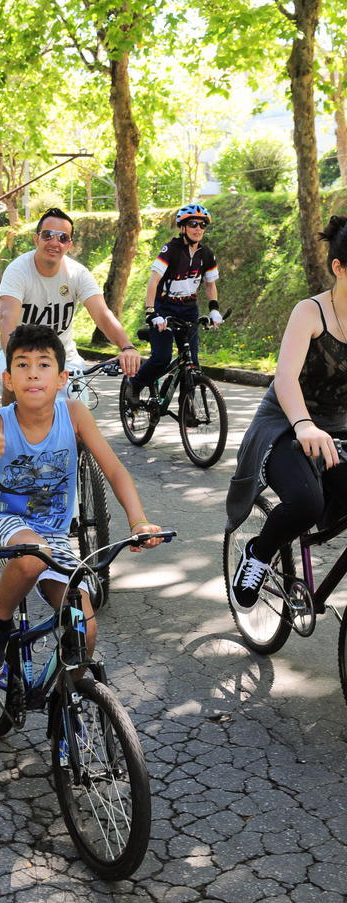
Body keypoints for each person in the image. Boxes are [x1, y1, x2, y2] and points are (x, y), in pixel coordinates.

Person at [0, 323, 163, 678]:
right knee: (31, 556)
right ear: (8, 379)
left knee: (84, 627)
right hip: (1, 521)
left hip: (52, 534)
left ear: (61, 378)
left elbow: (115, 471)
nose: (33, 373)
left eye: (44, 364)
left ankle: (64, 712)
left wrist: (138, 520)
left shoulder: (74, 415)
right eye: (22, 365)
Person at [226, 215, 347, 613]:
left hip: (338, 429)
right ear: (338, 267)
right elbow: (285, 378)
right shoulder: (310, 312)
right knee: (306, 503)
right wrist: (305, 425)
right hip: (286, 423)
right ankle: (259, 554)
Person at [0, 207, 141, 405]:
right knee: (17, 399)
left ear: (69, 245)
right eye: (48, 235)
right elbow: (7, 319)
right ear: (36, 239)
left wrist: (127, 347)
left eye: (62, 238)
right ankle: (8, 429)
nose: (54, 243)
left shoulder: (77, 274)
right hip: (21, 351)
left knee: (77, 416)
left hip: (63, 355)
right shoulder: (18, 271)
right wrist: (13, 361)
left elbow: (102, 314)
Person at [125, 203, 222, 405]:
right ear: (182, 227)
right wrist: (152, 312)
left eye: (202, 225)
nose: (198, 229)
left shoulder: (207, 254)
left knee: (192, 363)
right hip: (164, 307)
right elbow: (154, 281)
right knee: (162, 358)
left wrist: (214, 309)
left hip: (189, 309)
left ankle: (188, 408)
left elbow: (210, 285)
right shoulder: (171, 250)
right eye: (193, 224)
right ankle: (134, 384)